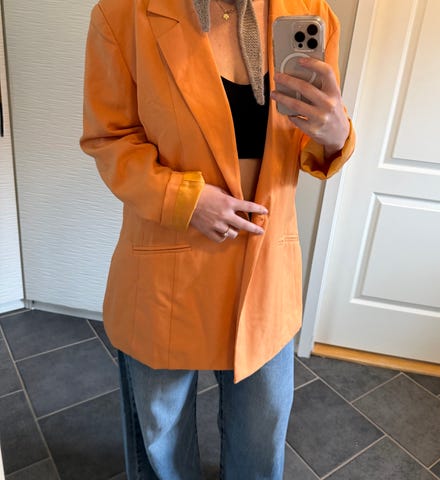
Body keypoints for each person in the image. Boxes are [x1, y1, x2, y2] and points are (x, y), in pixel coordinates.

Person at [80, 0, 355, 478]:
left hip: (265, 268)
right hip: (168, 268)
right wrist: (184, 199)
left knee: (262, 432)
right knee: (161, 437)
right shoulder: (123, 14)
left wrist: (336, 134)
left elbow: (308, 141)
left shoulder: (310, 11)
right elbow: (109, 138)